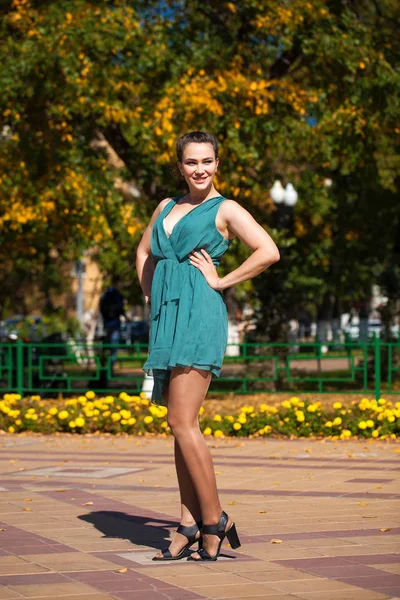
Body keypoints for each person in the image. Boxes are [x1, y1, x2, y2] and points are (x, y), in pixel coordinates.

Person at [135, 131, 280, 562]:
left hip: (199, 314)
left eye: (208, 161)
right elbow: (144, 252)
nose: (200, 169)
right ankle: (188, 522)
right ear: (179, 166)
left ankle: (215, 519)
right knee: (177, 425)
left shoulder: (227, 209)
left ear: (218, 164)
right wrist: (150, 295)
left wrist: (221, 280)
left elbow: (267, 251)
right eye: (191, 162)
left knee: (183, 422)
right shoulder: (165, 207)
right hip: (166, 318)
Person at [99, 275, 126, 374]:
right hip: (113, 323)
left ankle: (105, 368)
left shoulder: (106, 295)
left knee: (107, 347)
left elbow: (101, 307)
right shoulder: (117, 295)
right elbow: (120, 308)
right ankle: (109, 370)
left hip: (107, 323)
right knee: (113, 347)